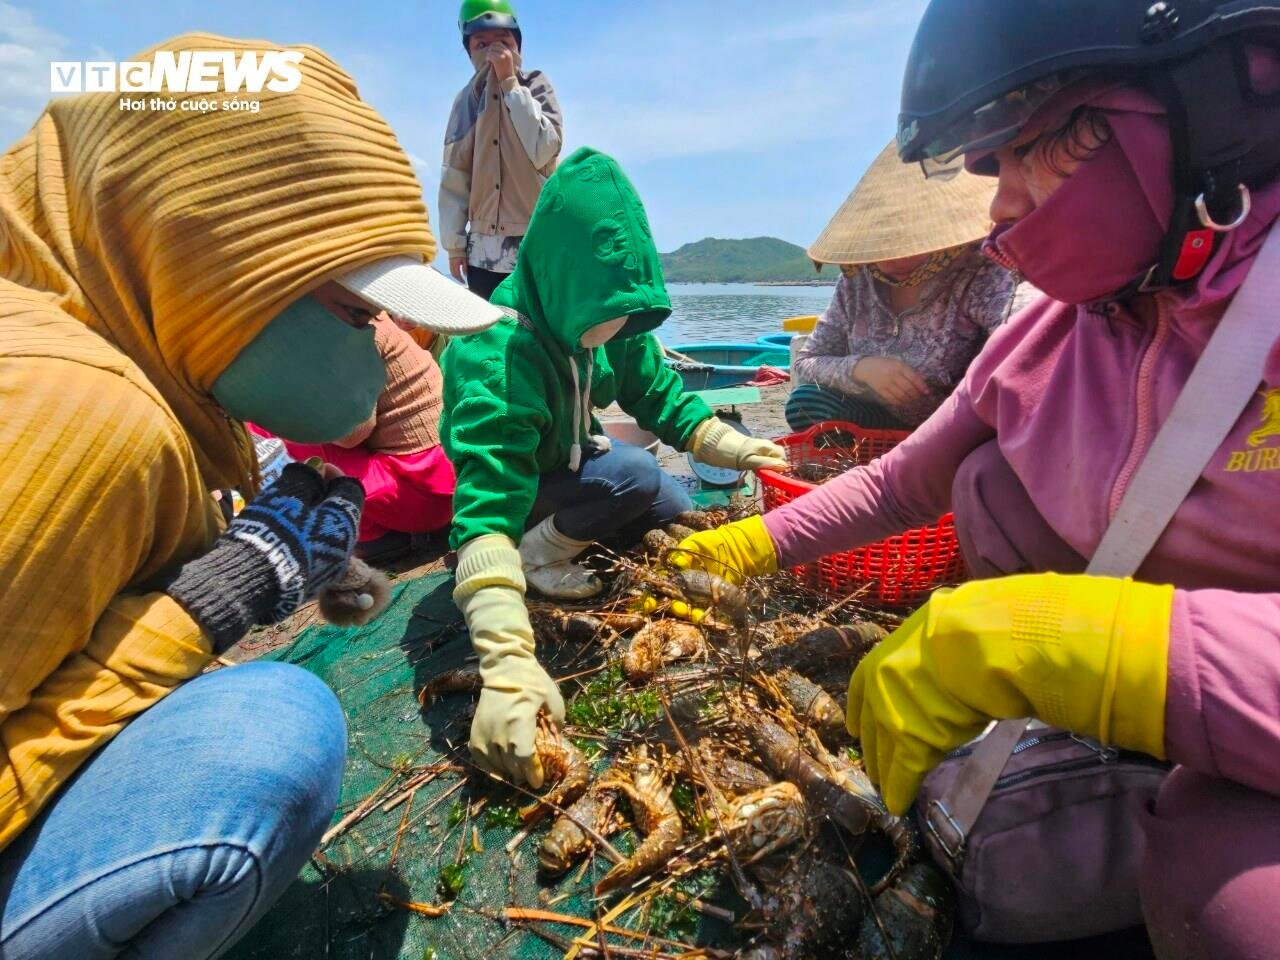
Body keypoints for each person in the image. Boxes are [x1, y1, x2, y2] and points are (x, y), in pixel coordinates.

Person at [672, 3, 1280, 957]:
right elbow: (898, 487)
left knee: (1234, 904)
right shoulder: (1053, 333)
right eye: (989, 166)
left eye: (1028, 145)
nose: (998, 206)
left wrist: (1082, 648)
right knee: (987, 479)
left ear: (1198, 108)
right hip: (1131, 699)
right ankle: (1087, 770)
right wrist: (746, 544)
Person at [0, 34, 500, 959]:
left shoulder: (104, 346)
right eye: (357, 314)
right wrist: (210, 603)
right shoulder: (83, 412)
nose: (377, 344)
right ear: (216, 261)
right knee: (274, 730)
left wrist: (250, 554)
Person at [441, 146, 787, 788]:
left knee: (678, 513)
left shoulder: (609, 312)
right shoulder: (496, 348)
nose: (612, 331)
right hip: (513, 490)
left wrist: (734, 447)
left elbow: (657, 393)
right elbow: (486, 495)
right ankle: (533, 557)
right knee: (637, 474)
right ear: (562, 277)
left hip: (570, 462)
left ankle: (567, 536)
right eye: (600, 320)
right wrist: (505, 656)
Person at [787, 141, 1026, 431]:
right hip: (878, 418)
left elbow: (1021, 347)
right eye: (882, 243)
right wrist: (862, 368)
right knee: (806, 402)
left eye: (906, 244)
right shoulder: (856, 281)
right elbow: (807, 361)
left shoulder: (978, 270)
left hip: (957, 423)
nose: (892, 258)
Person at [259, 314, 457, 562]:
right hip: (449, 472)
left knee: (268, 427)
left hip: (420, 488)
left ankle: (372, 534)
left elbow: (352, 432)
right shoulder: (361, 315)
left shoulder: (345, 329)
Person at [440, 0, 564, 301]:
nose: (493, 52)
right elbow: (455, 175)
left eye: (503, 42)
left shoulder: (536, 85)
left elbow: (545, 148)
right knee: (491, 327)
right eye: (481, 44)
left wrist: (510, 83)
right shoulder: (465, 102)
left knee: (537, 325)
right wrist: (455, 246)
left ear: (517, 46)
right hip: (482, 253)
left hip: (536, 242)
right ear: (469, 52)